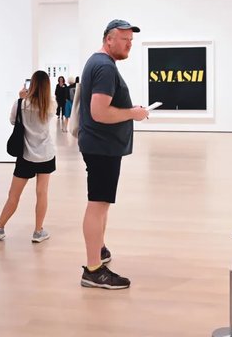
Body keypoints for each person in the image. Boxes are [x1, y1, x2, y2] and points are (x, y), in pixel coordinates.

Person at [78, 19, 149, 289]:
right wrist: (133, 113)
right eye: (124, 40)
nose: (129, 44)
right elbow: (99, 112)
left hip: (101, 146)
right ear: (109, 39)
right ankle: (93, 270)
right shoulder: (105, 67)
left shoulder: (100, 63)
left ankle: (99, 250)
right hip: (101, 147)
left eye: (131, 40)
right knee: (97, 205)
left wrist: (131, 111)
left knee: (102, 203)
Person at [0, 70, 56, 243]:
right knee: (42, 193)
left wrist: (21, 98)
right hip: (46, 154)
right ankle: (38, 231)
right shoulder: (51, 104)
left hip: (26, 155)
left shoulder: (21, 104)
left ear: (31, 85)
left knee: (14, 195)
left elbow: (13, 121)